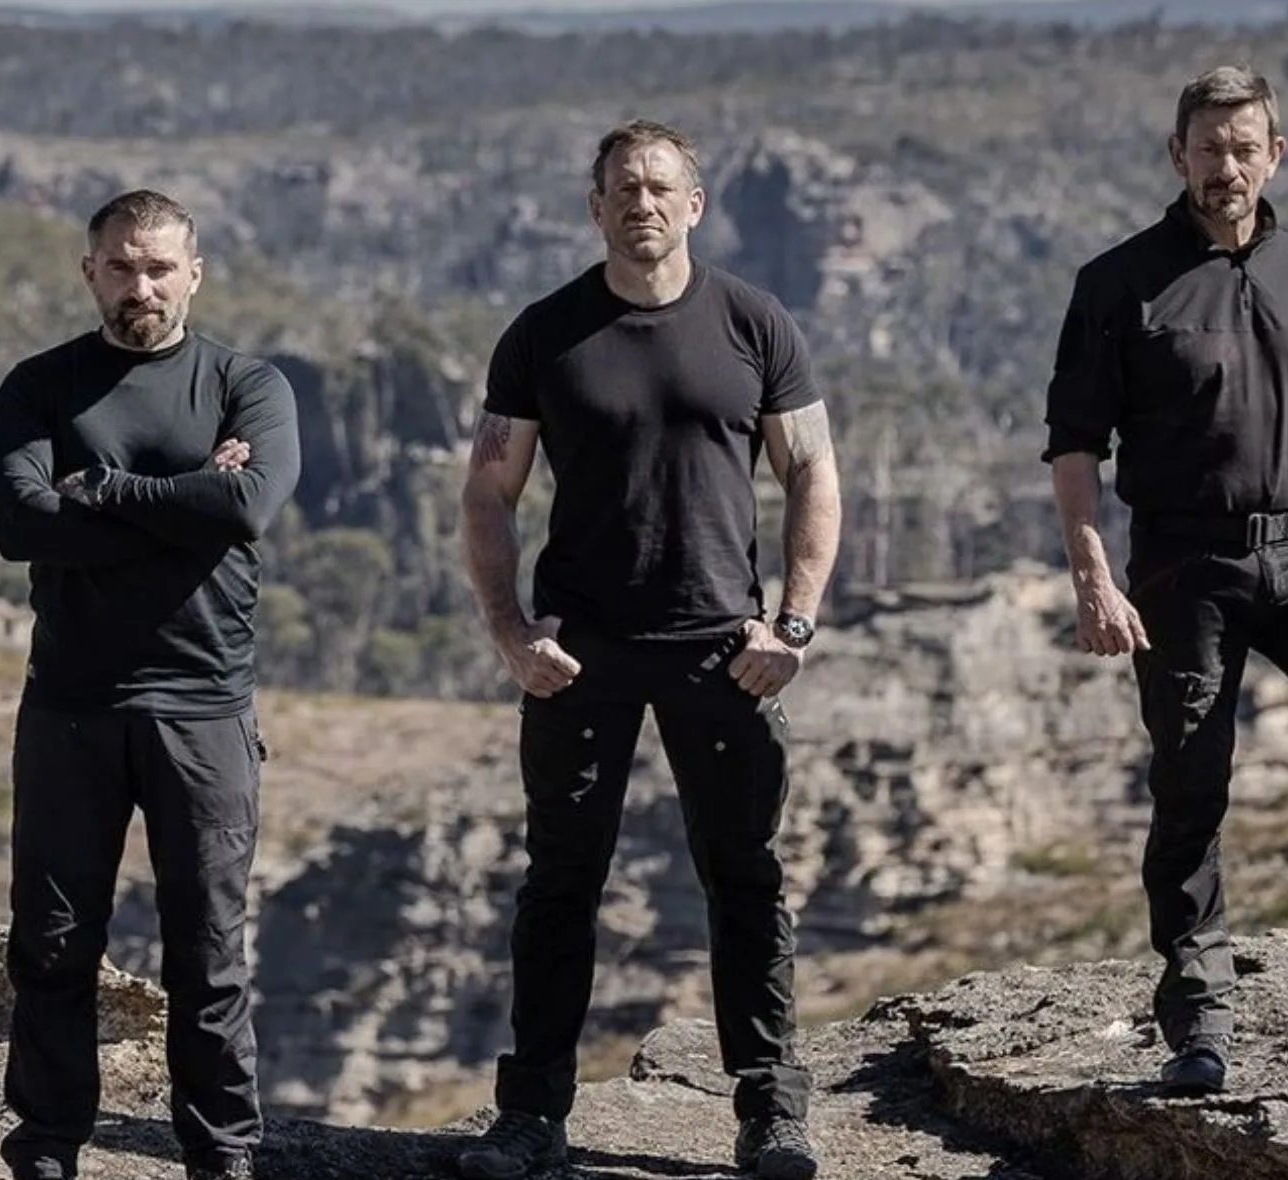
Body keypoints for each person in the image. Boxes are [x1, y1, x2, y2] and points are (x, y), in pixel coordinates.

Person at [457, 120, 841, 1180]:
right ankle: (532, 1118)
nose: (642, 203)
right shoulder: (545, 335)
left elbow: (814, 470)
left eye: (661, 187)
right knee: (560, 884)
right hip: (580, 653)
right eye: (623, 188)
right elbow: (489, 490)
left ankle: (772, 1113)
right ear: (596, 207)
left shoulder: (755, 324)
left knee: (746, 878)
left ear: (695, 204)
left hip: (723, 648)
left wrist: (793, 625)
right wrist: (509, 631)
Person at [1045, 66, 1288, 1096]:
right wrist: (1094, 580)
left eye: (1244, 147)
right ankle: (1199, 1021)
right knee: (1192, 785)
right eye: (1208, 148)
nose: (1225, 166)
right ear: (1176, 156)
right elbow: (1074, 447)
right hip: (1186, 566)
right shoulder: (1119, 283)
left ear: (1276, 154)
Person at [0, 189, 300, 1180]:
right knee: (52, 944)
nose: (141, 286)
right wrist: (187, 502)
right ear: (91, 272)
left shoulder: (246, 384)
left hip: (204, 708)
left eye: (160, 267)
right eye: (121, 266)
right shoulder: (42, 387)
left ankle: (222, 1153)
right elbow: (20, 525)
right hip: (70, 708)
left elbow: (247, 507)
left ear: (194, 273)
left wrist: (107, 490)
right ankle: (46, 1149)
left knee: (208, 949)